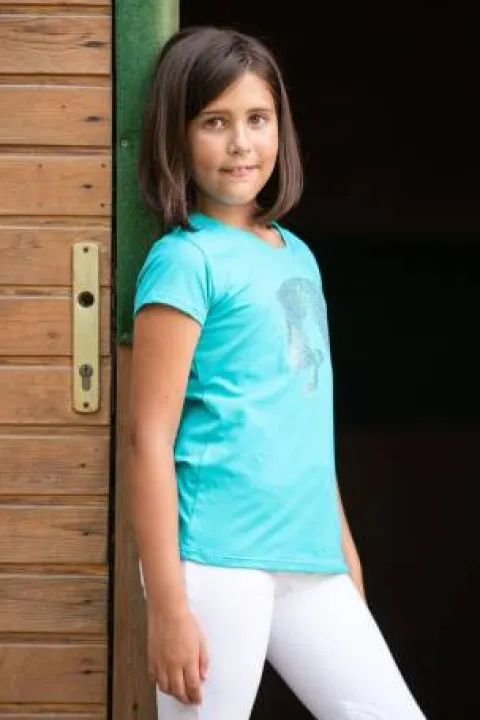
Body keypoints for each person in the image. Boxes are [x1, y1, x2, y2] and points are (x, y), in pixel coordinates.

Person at [128, 24, 427, 720]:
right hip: (216, 561)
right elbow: (148, 439)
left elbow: (304, 421)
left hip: (310, 559)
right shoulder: (185, 261)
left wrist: (345, 555)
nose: (241, 143)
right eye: (215, 122)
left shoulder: (296, 256)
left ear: (279, 130)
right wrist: (167, 606)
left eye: (257, 119)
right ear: (177, 137)